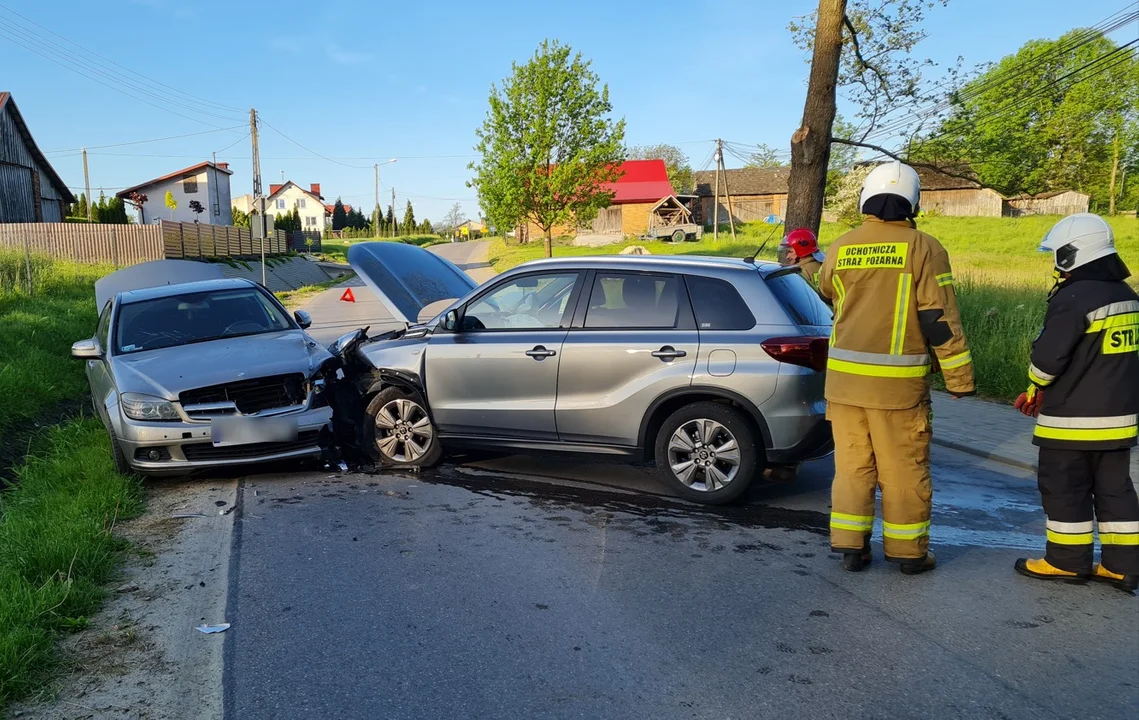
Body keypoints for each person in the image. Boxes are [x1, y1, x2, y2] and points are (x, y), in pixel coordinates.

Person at [816, 161, 974, 575]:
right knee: (903, 470)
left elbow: (827, 291)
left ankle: (852, 548)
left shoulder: (841, 246)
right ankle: (909, 554)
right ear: (913, 203)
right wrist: (959, 379)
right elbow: (939, 319)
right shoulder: (925, 248)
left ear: (865, 198)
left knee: (852, 468)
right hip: (897, 390)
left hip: (844, 386)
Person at [1012, 213, 1139, 593]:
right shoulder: (1127, 297)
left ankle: (1066, 562)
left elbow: (1048, 360)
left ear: (1073, 254)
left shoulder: (1073, 297)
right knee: (1115, 491)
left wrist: (1036, 385)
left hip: (1072, 420)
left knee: (1064, 488)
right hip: (1120, 421)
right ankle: (1123, 566)